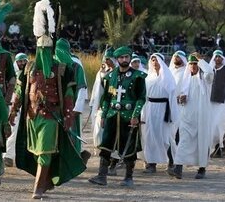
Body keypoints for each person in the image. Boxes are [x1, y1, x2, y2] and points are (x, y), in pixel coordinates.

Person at [9, 0, 84, 199]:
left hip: (52, 116)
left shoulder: (61, 69)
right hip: (32, 118)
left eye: (46, 49)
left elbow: (68, 95)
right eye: (40, 49)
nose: (42, 52)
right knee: (37, 152)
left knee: (45, 152)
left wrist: (68, 119)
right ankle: (47, 180)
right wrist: (13, 111)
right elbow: (19, 89)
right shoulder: (29, 67)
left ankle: (38, 188)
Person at [88, 45, 146, 187]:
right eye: (121, 57)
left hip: (128, 116)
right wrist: (103, 115)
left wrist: (135, 115)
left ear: (130, 58)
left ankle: (128, 178)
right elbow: (107, 98)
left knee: (129, 146)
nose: (124, 59)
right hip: (112, 116)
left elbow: (141, 98)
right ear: (117, 59)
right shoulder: (110, 76)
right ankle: (102, 176)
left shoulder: (138, 76)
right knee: (106, 144)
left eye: (126, 57)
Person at [172, 53, 214, 179]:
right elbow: (178, 96)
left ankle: (202, 169)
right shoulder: (185, 80)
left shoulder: (205, 79)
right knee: (184, 141)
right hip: (187, 117)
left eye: (195, 64)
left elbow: (210, 72)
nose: (193, 66)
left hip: (202, 118)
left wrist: (201, 60)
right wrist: (180, 99)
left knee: (202, 142)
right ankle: (178, 168)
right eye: (191, 64)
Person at [141, 53, 179, 174]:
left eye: (156, 60)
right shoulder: (148, 78)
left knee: (166, 137)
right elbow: (144, 98)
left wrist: (173, 114)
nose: (154, 62)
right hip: (150, 109)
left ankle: (172, 163)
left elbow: (172, 97)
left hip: (164, 109)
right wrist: (143, 114)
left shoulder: (168, 78)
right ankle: (152, 164)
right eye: (152, 60)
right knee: (150, 137)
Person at [54, 38, 90, 161]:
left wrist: (77, 108)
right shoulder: (53, 64)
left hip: (71, 105)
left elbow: (81, 88)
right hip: (56, 105)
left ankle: (75, 157)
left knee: (72, 132)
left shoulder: (75, 66)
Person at [3, 52, 29, 167]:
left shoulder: (29, 73)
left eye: (24, 61)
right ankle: (7, 155)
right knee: (12, 130)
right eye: (20, 61)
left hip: (26, 105)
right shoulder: (11, 73)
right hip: (12, 105)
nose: (22, 63)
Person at [167, 50, 187, 176]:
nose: (176, 58)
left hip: (182, 107)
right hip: (169, 107)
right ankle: (171, 160)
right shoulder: (169, 72)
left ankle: (177, 163)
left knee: (179, 136)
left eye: (178, 56)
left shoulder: (186, 72)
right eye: (174, 56)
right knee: (169, 135)